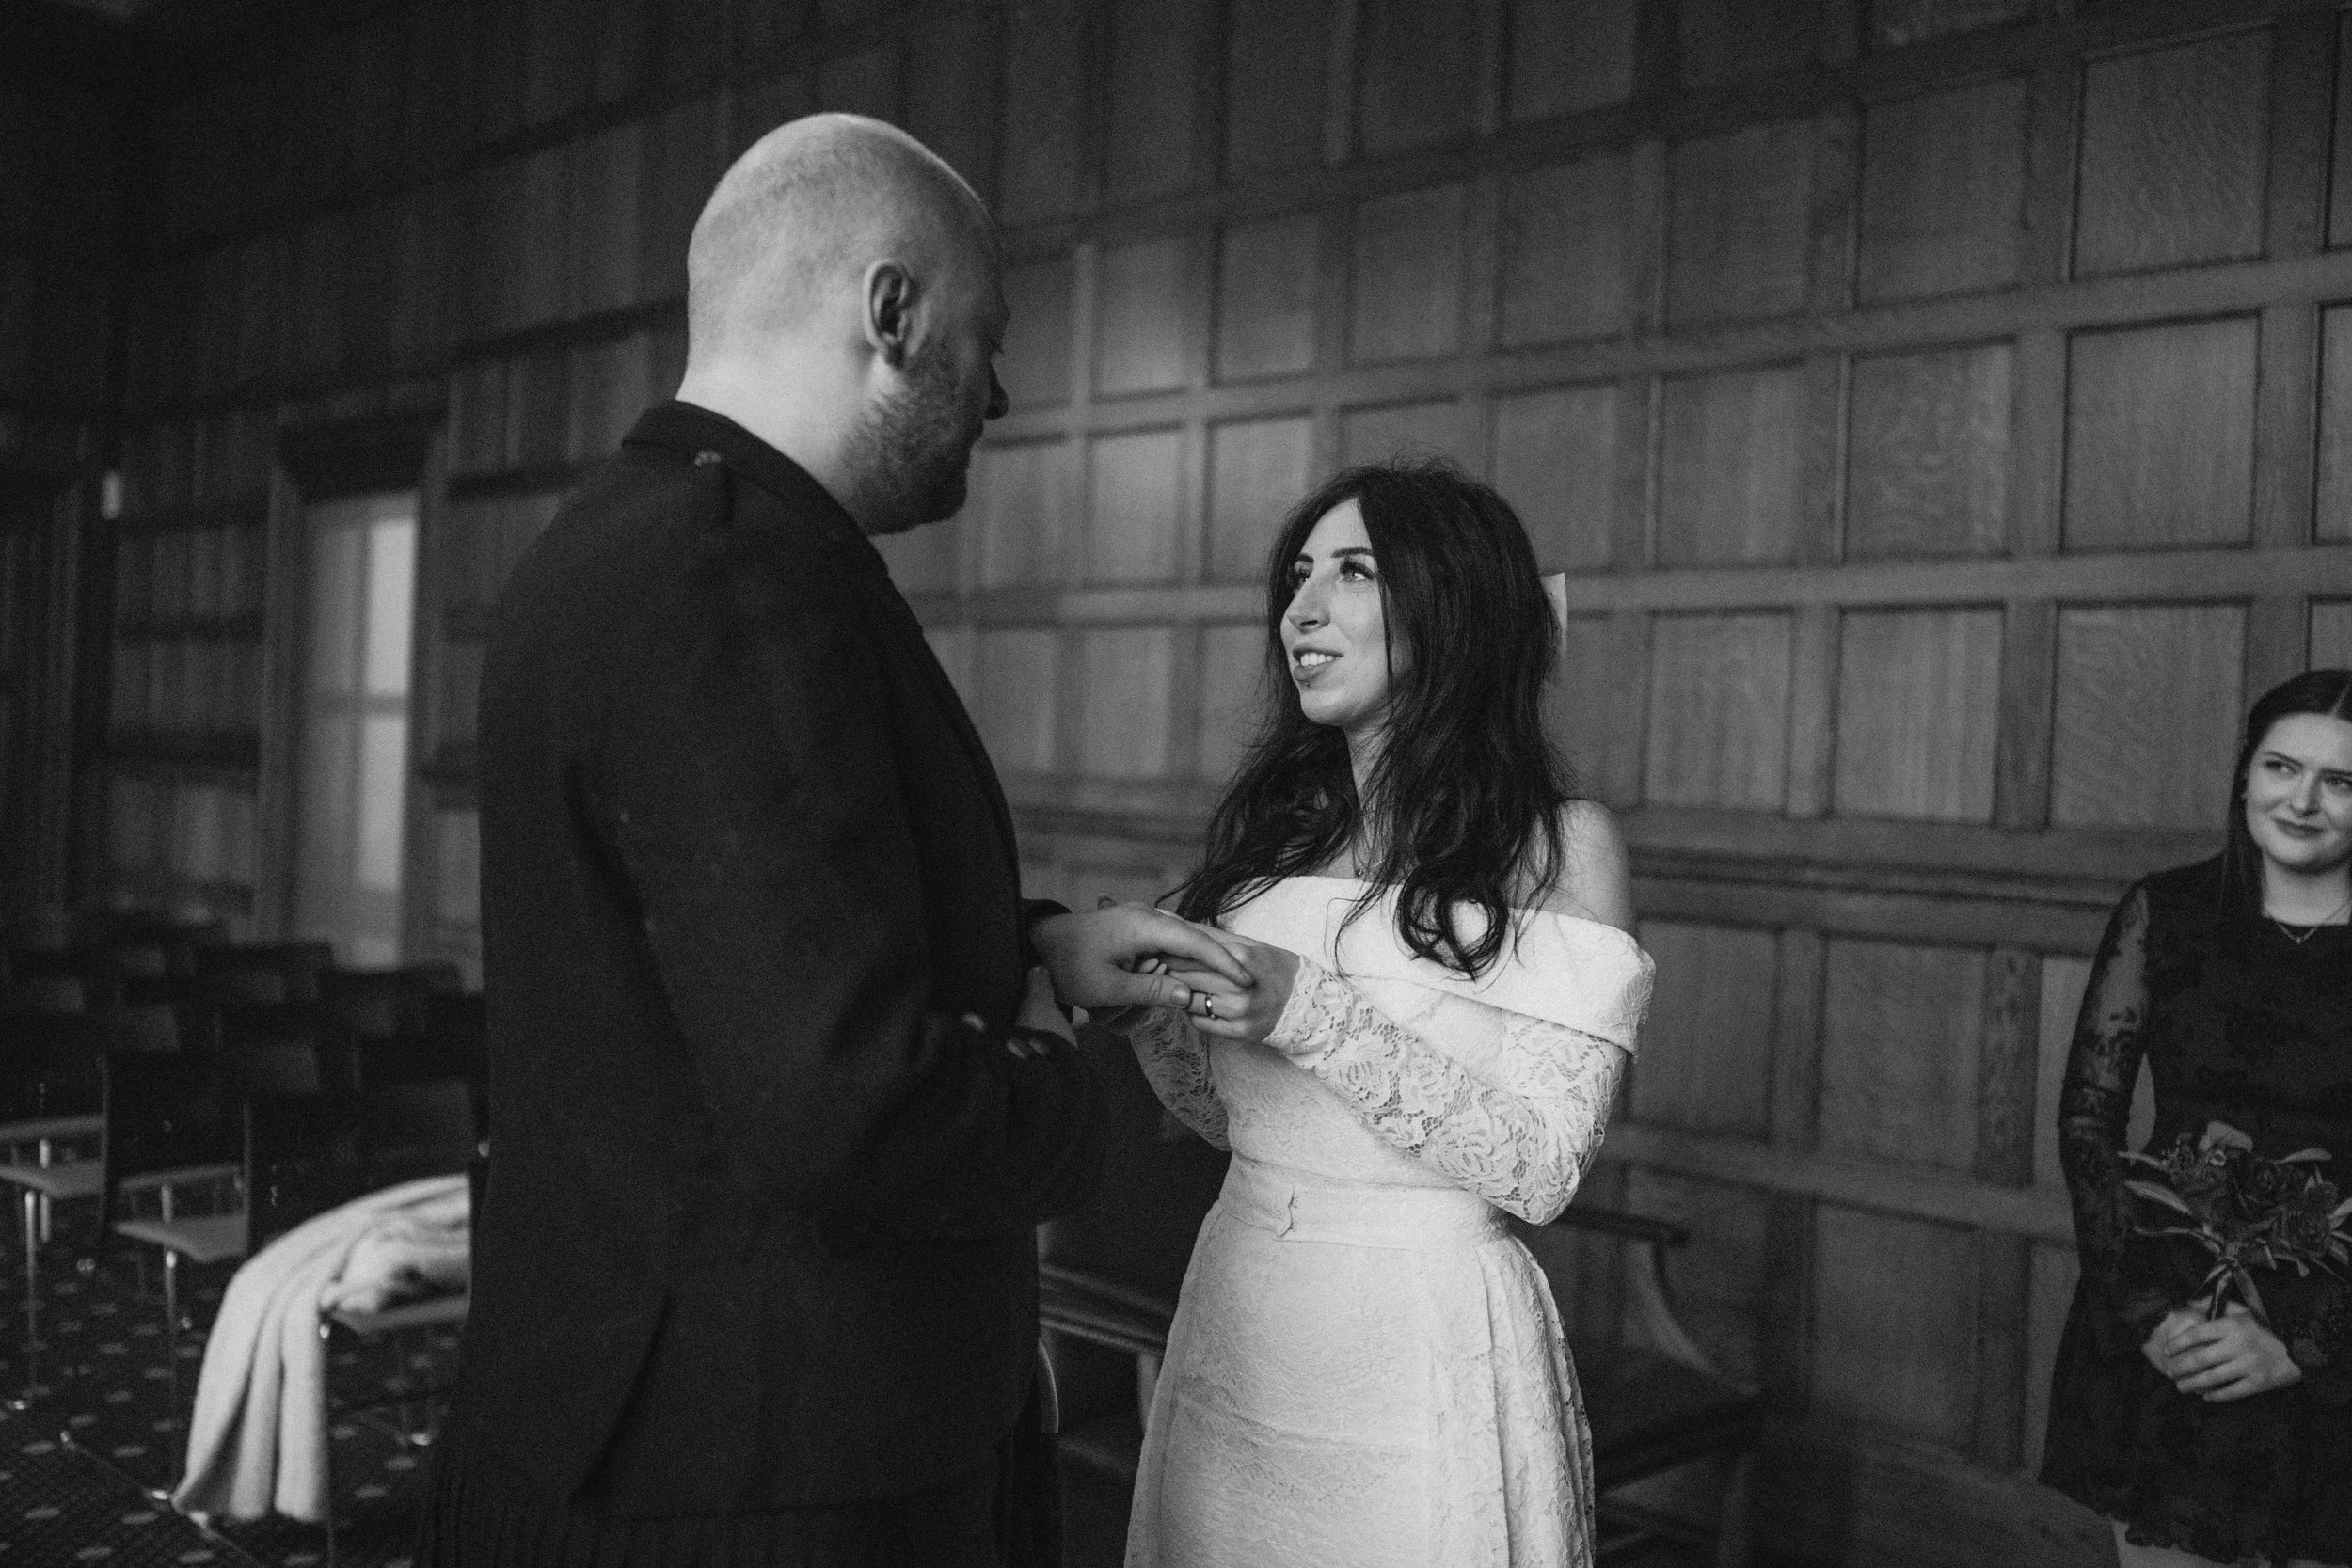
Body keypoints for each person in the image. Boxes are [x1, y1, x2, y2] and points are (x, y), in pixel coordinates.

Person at [419, 114, 1249, 1567]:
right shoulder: (737, 575)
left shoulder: (613, 541)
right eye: (988, 337)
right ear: (891, 311)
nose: (997, 392)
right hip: (765, 1468)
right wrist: (1126, 1102)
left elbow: (738, 937)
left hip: (652, 1406)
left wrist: (1038, 945)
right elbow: (845, 1100)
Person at [1093, 461, 1653, 1567]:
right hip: (1244, 1307)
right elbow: (1229, 1119)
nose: (1301, 609)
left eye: (1352, 571)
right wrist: (1149, 1009)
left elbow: (1542, 1167)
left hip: (1421, 1341)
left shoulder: (1558, 845)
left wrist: (1309, 1010)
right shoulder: (1272, 847)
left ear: (1451, 606)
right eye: (1298, 575)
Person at [2042, 668, 2352, 1568]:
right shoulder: (2166, 910)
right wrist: (2146, 1312)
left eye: (2341, 782)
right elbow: (2087, 1121)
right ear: (2244, 776)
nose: (2303, 800)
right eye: (2282, 767)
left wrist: (2307, 1343)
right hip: (2173, 1310)